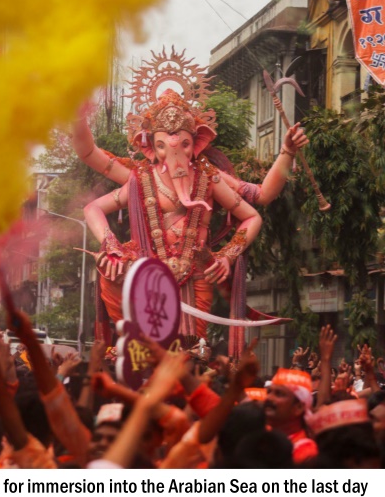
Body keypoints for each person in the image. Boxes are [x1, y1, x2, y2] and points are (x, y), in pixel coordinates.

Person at [72, 49, 309, 348]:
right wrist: (111, 244)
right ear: (151, 147)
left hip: (196, 278)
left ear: (196, 143)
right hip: (145, 277)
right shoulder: (140, 178)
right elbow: (89, 161)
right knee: (140, 349)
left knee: (191, 356)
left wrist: (227, 255)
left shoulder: (209, 177)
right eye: (163, 146)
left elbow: (259, 203)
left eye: (184, 144)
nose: (174, 154)